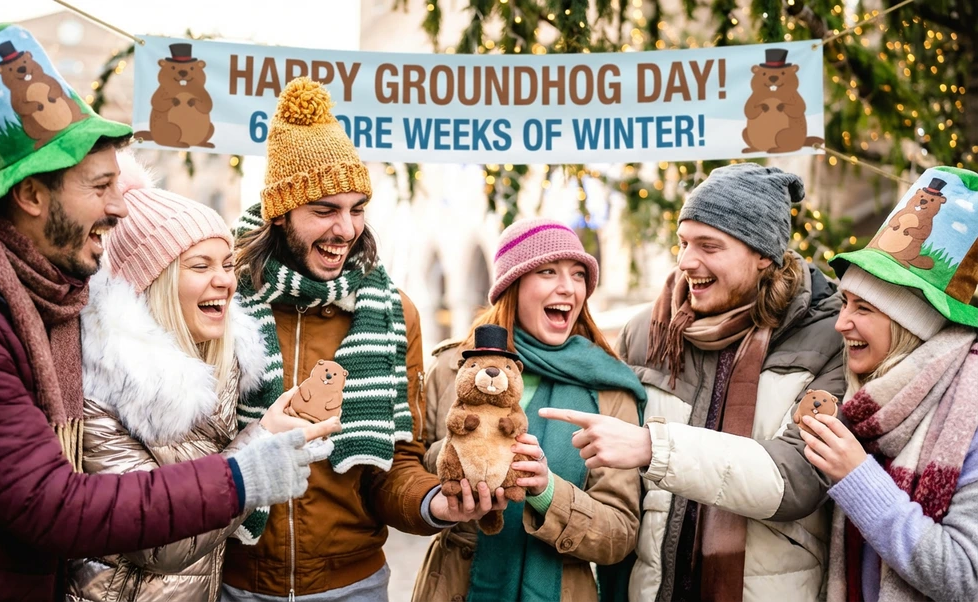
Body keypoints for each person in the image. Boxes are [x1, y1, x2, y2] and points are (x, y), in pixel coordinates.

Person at [0, 24, 321, 600]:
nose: (119, 207)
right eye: (100, 186)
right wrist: (241, 475)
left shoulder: (45, 299)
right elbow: (54, 506)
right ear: (31, 195)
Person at [221, 77, 500, 601]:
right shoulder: (225, 300)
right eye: (325, 210)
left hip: (352, 586)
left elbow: (394, 464)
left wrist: (434, 502)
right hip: (237, 583)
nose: (347, 230)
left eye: (357, 208)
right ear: (281, 214)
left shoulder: (393, 313)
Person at [542, 163, 847, 602]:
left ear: (763, 254)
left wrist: (654, 447)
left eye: (709, 246)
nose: (686, 261)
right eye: (683, 242)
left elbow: (798, 479)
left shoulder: (829, 336)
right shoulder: (647, 333)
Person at [65, 154, 341, 602]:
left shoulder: (223, 367)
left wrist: (269, 429)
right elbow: (161, 544)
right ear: (151, 281)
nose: (225, 281)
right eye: (200, 266)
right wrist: (256, 454)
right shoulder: (101, 385)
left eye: (228, 264)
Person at [413, 218, 647, 602]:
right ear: (513, 285)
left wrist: (546, 491)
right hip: (455, 586)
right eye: (548, 271)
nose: (568, 287)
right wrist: (463, 456)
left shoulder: (610, 390)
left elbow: (619, 535)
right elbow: (410, 475)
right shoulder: (454, 368)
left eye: (578, 274)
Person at [799, 166, 978, 601]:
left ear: (910, 324)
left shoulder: (970, 411)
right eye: (845, 302)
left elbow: (966, 576)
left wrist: (858, 477)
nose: (841, 323)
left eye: (864, 308)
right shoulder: (866, 398)